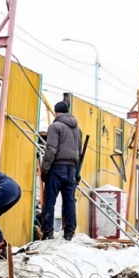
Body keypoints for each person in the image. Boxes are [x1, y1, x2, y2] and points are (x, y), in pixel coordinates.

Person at [40, 101, 82, 241]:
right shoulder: (78, 130)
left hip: (57, 167)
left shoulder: (55, 127)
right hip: (71, 168)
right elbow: (79, 152)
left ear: (56, 113)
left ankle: (48, 232)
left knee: (50, 200)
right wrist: (76, 171)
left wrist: (45, 169)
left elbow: (51, 149)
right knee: (69, 201)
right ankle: (69, 232)